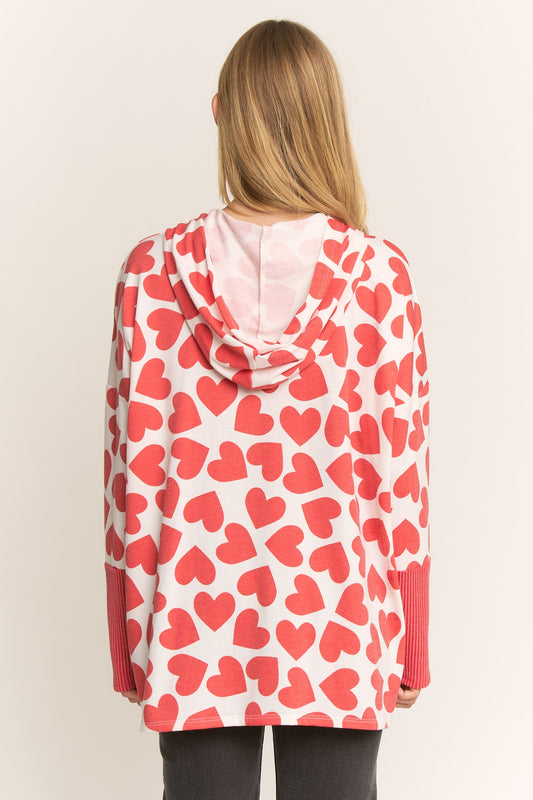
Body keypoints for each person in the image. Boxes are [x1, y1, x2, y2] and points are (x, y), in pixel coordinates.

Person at [103, 18, 431, 800]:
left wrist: (130, 642)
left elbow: (131, 477)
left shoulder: (150, 274)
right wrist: (410, 645)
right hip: (340, 618)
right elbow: (401, 481)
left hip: (191, 623)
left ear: (220, 112)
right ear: (326, 119)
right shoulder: (380, 278)